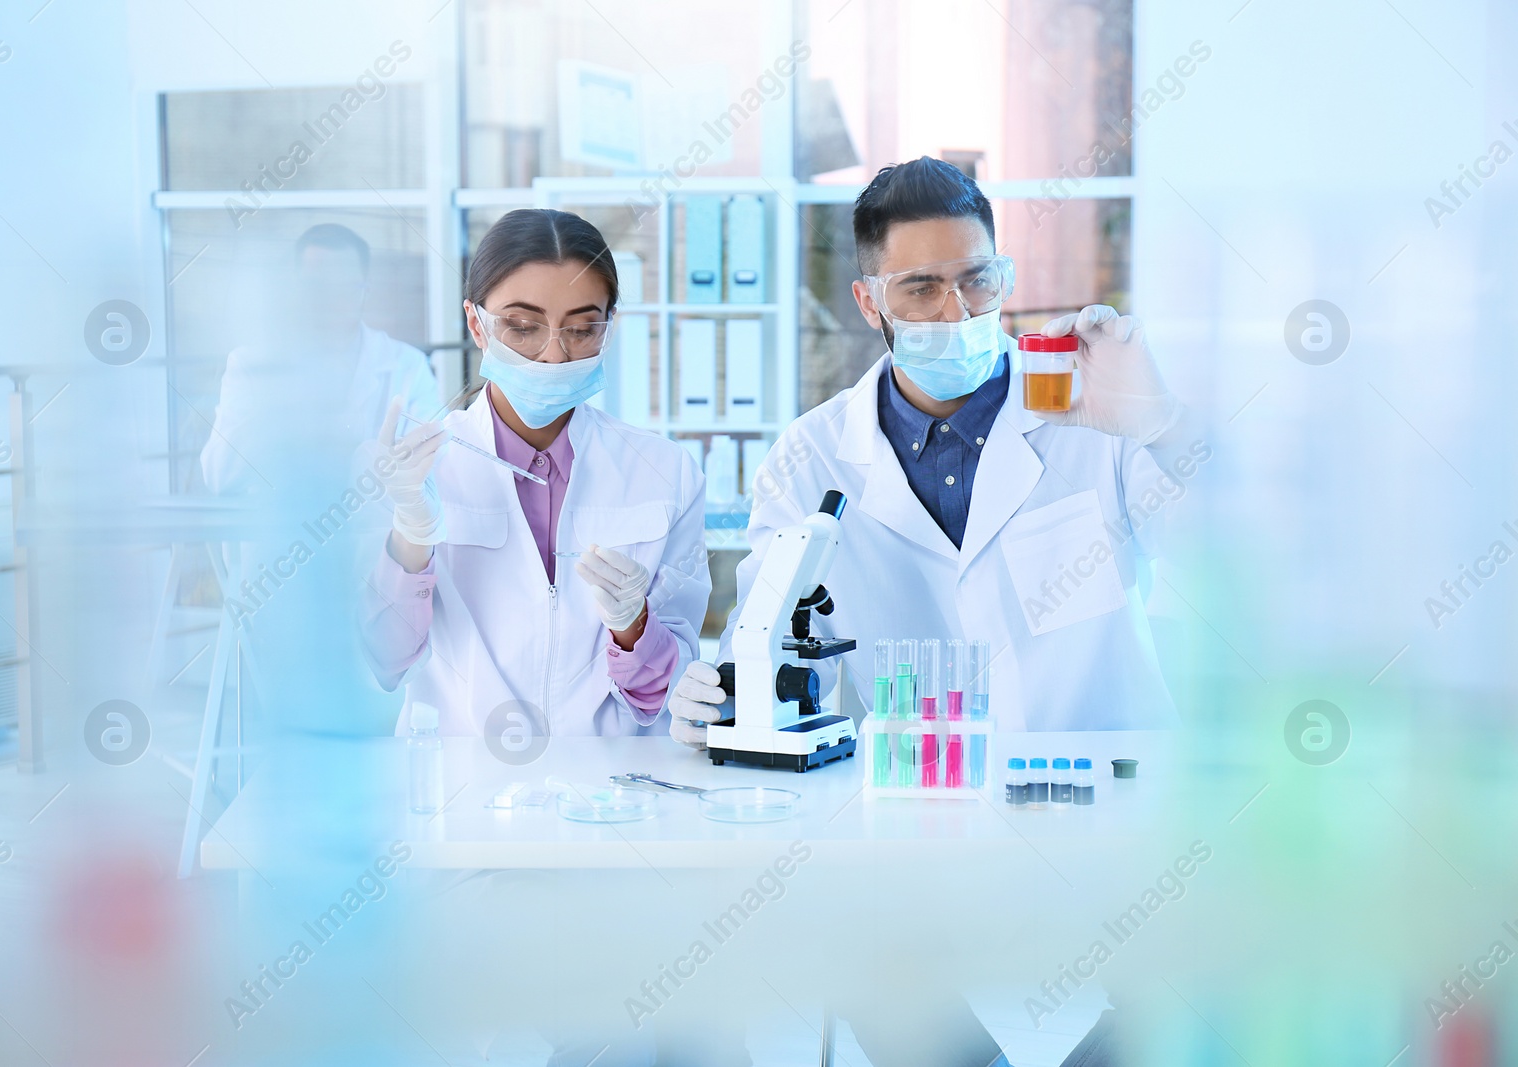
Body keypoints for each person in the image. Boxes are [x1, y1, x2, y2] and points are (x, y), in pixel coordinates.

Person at [667, 155, 1196, 1066]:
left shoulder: (1086, 418)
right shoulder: (811, 459)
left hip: (1108, 832)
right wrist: (715, 698)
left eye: (977, 279)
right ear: (870, 302)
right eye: (921, 288)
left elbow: (1232, 555)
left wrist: (1161, 425)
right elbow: (772, 644)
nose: (957, 311)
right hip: (911, 842)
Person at [361, 207, 709, 741]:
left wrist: (632, 626)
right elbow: (382, 662)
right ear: (477, 324)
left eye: (581, 329)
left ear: (609, 329)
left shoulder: (663, 474)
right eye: (522, 328)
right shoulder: (417, 470)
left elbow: (672, 693)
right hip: (460, 786)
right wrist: (411, 534)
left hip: (612, 794)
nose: (552, 354)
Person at [202, 223, 440, 494]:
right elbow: (217, 476)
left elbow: (435, 465)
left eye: (345, 288)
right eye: (317, 287)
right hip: (278, 532)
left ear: (365, 291)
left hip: (373, 532)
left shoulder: (407, 366)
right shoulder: (252, 365)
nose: (330, 301)